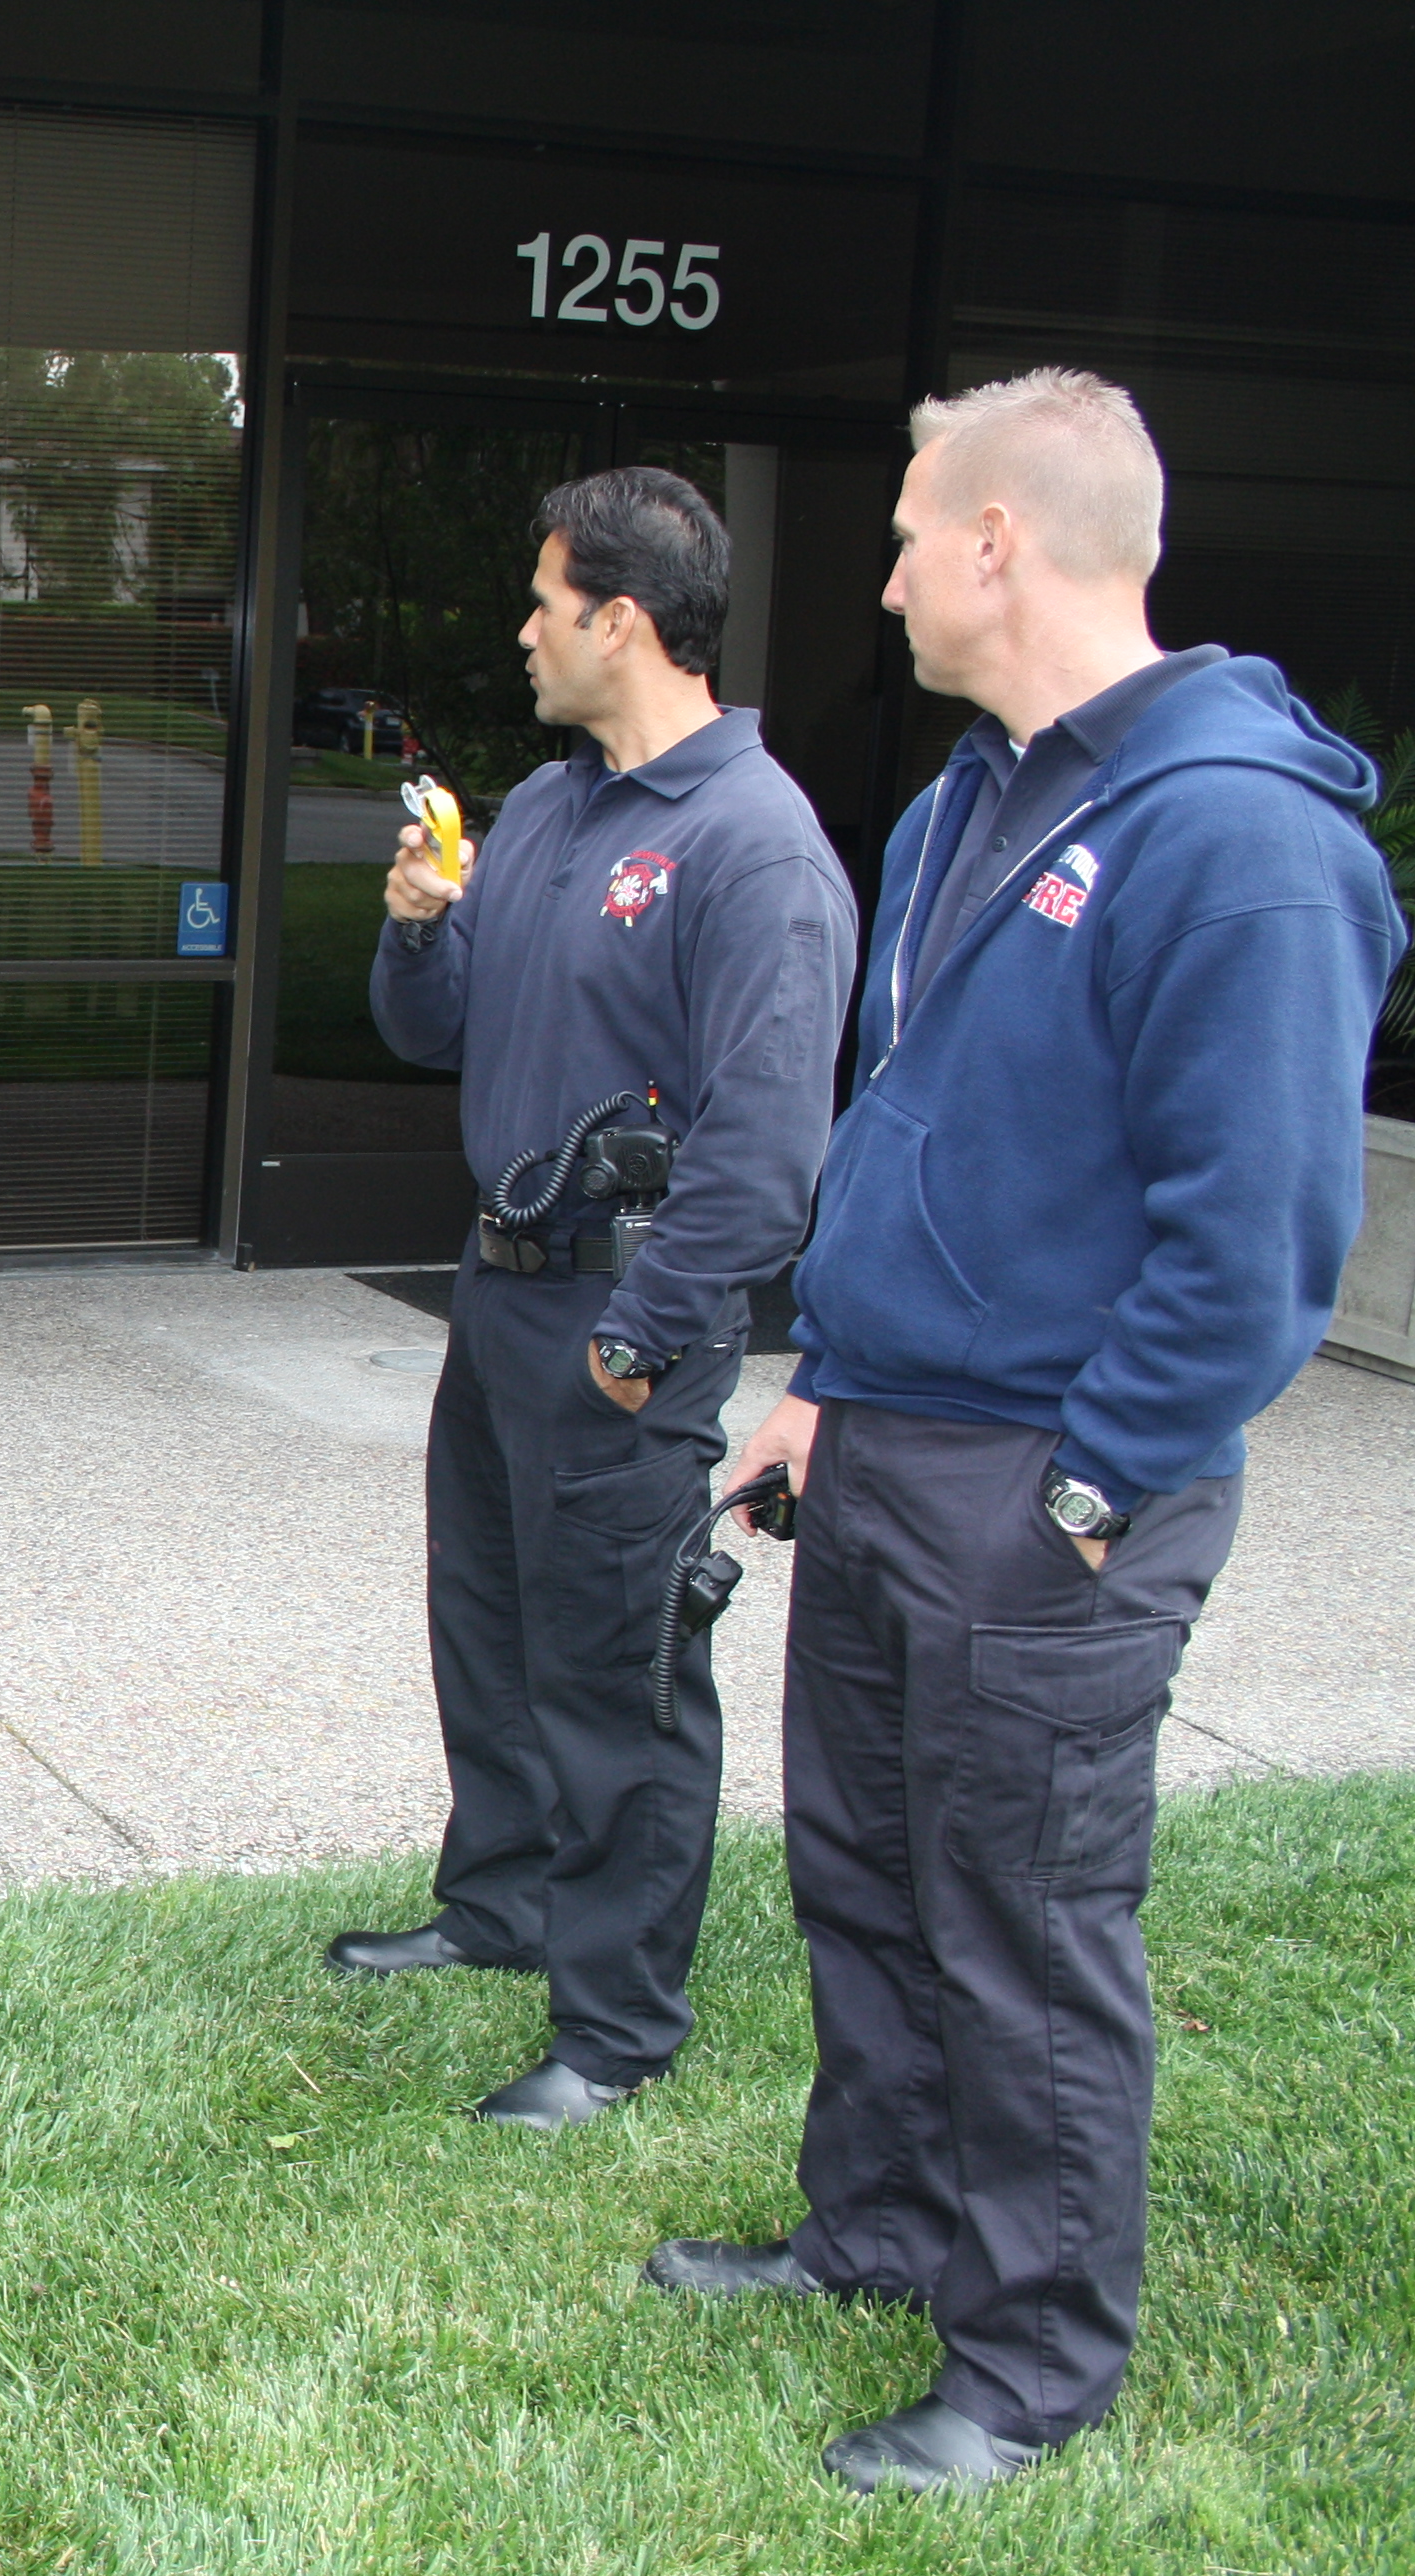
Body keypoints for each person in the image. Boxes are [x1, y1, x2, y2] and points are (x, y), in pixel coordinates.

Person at [646, 372, 1402, 2493]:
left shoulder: (1239, 839)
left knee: (1022, 1930)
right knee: (869, 1884)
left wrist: (1085, 1490)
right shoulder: (962, 807)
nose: (881, 580)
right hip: (886, 1446)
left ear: (997, 540)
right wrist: (824, 1382)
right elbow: (914, 1133)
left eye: (904, 537)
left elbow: (1255, 1241)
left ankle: (1030, 2361)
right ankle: (879, 2230)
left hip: (1049, 1483)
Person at [331, 468, 857, 2131]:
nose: (523, 630)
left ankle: (616, 2025)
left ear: (619, 621)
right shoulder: (552, 812)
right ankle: (499, 1907)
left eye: (544, 601)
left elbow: (765, 1148)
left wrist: (639, 1345)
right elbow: (431, 1031)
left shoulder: (753, 845)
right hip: (498, 1302)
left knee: (620, 1679)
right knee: (488, 1630)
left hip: (628, 1322)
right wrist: (420, 929)